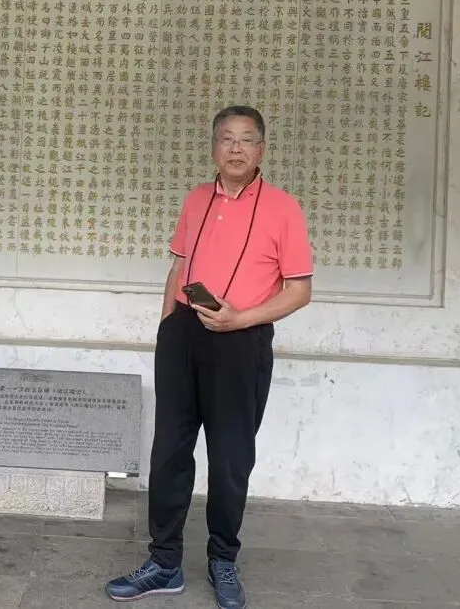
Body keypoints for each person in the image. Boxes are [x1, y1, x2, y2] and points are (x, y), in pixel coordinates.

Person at [105, 106, 314, 609]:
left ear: (261, 150)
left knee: (230, 457)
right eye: (227, 138)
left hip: (241, 342)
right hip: (183, 336)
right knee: (169, 451)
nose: (236, 148)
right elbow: (179, 267)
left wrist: (240, 319)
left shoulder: (284, 208)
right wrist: (167, 328)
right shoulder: (197, 198)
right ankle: (164, 562)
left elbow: (299, 291)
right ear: (214, 147)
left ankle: (223, 560)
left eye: (246, 139)